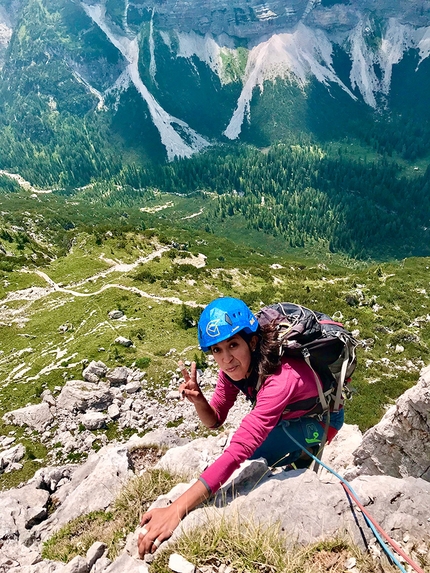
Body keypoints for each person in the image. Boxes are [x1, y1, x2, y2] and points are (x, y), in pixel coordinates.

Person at [137, 297, 344, 558]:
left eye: (233, 345)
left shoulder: (281, 378)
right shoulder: (232, 370)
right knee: (254, 454)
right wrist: (199, 399)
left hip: (322, 422)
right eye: (216, 350)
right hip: (291, 414)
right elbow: (215, 421)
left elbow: (238, 452)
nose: (226, 359)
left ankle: (302, 459)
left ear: (252, 342)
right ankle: (292, 455)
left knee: (257, 456)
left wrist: (176, 510)